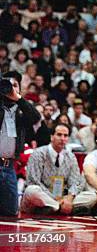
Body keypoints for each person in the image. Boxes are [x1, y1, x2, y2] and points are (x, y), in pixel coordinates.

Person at [20, 122, 89, 215]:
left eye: (65, 136)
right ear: (52, 137)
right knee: (32, 190)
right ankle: (60, 207)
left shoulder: (71, 156)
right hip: (41, 198)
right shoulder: (38, 154)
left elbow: (75, 182)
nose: (62, 138)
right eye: (59, 135)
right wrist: (56, 199)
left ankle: (55, 208)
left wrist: (69, 197)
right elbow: (33, 181)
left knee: (90, 195)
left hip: (62, 198)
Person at [0, 72, 41, 216]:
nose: (11, 89)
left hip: (9, 166)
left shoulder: (21, 112)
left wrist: (18, 98)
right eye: (7, 85)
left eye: (15, 85)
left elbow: (36, 117)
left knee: (11, 212)